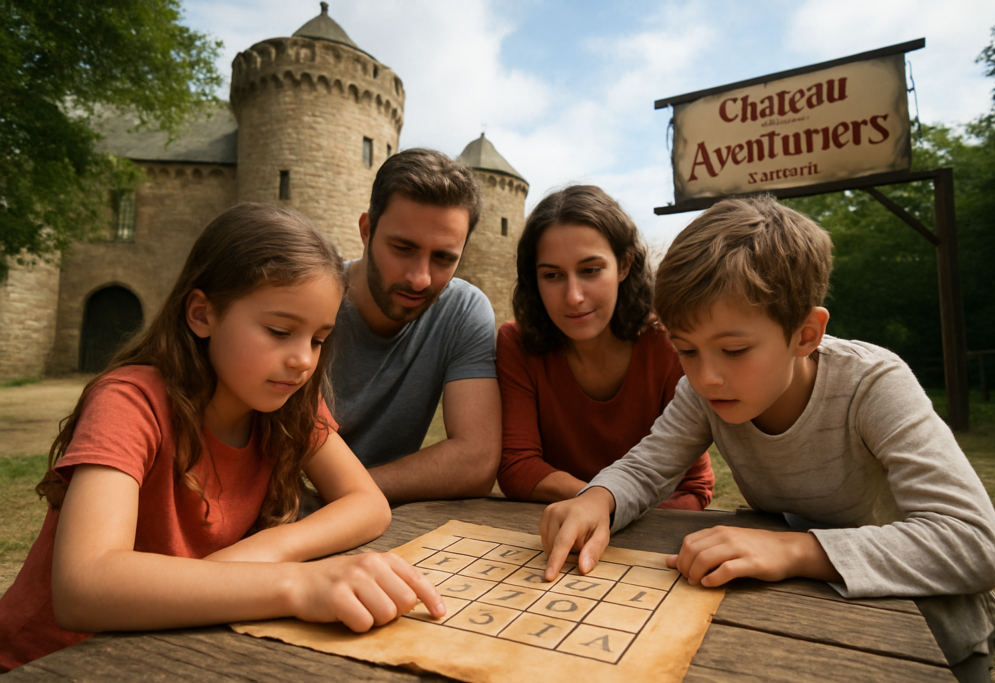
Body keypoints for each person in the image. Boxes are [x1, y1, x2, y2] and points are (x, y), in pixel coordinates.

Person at [539, 196, 995, 682]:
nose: (707, 377)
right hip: (822, 623)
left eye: (735, 349)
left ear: (806, 334)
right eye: (686, 350)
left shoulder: (875, 384)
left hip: (932, 637)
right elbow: (646, 468)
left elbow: (973, 544)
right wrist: (598, 498)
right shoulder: (702, 390)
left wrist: (794, 550)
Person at [0, 204, 444, 672]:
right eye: (279, 331)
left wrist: (265, 551)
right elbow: (83, 587)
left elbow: (367, 503)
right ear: (202, 314)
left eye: (318, 338)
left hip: (168, 654)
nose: (303, 360)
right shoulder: (130, 402)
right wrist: (298, 584)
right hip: (49, 663)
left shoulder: (287, 404)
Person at [496, 185, 714, 509]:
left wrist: (608, 508)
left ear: (624, 265)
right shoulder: (517, 344)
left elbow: (694, 486)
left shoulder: (669, 343)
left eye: (590, 271)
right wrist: (602, 504)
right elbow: (517, 467)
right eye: (553, 275)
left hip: (647, 532)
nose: (573, 297)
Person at [330, 148, 501, 504]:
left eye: (443, 258)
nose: (420, 279)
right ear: (366, 231)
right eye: (403, 248)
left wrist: (343, 496)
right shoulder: (313, 301)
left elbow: (477, 461)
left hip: (364, 515)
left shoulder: (463, 310)